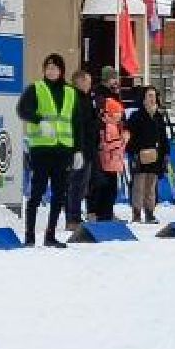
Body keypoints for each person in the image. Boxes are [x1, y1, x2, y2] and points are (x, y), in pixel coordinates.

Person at [16, 54, 87, 247]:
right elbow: (22, 110)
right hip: (41, 150)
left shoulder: (71, 92)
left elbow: (77, 123)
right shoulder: (35, 89)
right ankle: (29, 235)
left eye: (55, 68)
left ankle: (50, 235)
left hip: (63, 150)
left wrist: (78, 150)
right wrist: (40, 120)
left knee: (59, 194)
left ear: (61, 70)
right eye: (48, 68)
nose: (51, 71)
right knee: (36, 193)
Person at [126, 89, 172, 223]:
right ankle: (136, 213)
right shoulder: (136, 116)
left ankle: (150, 212)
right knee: (138, 185)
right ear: (144, 99)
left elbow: (163, 137)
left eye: (154, 96)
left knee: (151, 186)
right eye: (150, 96)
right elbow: (129, 136)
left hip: (156, 155)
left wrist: (166, 153)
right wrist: (134, 152)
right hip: (140, 155)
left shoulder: (158, 116)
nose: (153, 99)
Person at [66, 68, 99, 229]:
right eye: (87, 81)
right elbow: (77, 125)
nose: (90, 84)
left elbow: (90, 122)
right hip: (78, 148)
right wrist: (76, 149)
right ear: (79, 81)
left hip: (89, 148)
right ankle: (72, 218)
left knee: (83, 185)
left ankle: (76, 215)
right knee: (76, 184)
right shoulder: (74, 99)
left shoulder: (88, 98)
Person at [88, 97, 125, 222]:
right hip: (107, 163)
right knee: (106, 190)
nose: (119, 116)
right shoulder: (107, 126)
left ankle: (106, 213)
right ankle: (103, 213)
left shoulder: (113, 126)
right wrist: (122, 141)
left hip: (113, 163)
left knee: (111, 190)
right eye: (117, 113)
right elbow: (106, 145)